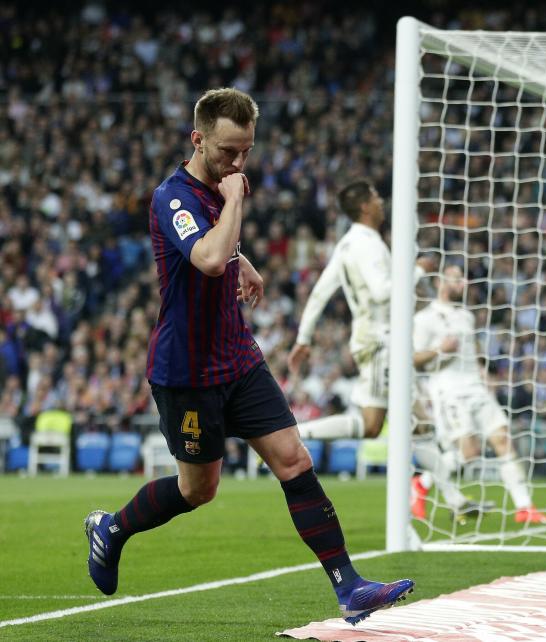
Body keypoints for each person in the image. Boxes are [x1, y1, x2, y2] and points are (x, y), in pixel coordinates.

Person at [84, 88, 413, 626]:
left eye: (246, 152)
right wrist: (234, 210)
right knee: (199, 489)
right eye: (227, 152)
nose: (237, 163)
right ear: (198, 140)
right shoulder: (172, 196)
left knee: (295, 461)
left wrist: (244, 259)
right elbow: (208, 257)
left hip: (237, 359)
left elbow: (223, 250)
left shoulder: (214, 189)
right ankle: (112, 527)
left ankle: (350, 588)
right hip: (187, 373)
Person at [287, 180, 484, 521]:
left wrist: (303, 338)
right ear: (365, 207)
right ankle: (293, 433)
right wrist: (418, 271)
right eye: (376, 198)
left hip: (379, 341)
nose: (381, 203)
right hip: (380, 342)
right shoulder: (367, 244)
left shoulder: (347, 245)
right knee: (372, 425)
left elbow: (320, 292)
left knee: (415, 424)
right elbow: (382, 292)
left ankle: (455, 500)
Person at [413, 264, 546, 524]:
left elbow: (472, 351)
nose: (463, 284)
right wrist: (440, 350)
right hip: (449, 391)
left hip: (476, 388)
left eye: (464, 280)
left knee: (503, 439)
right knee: (470, 452)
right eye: (457, 279)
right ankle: (422, 483)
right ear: (442, 281)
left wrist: (485, 376)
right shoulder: (425, 319)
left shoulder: (466, 316)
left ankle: (524, 507)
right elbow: (413, 358)